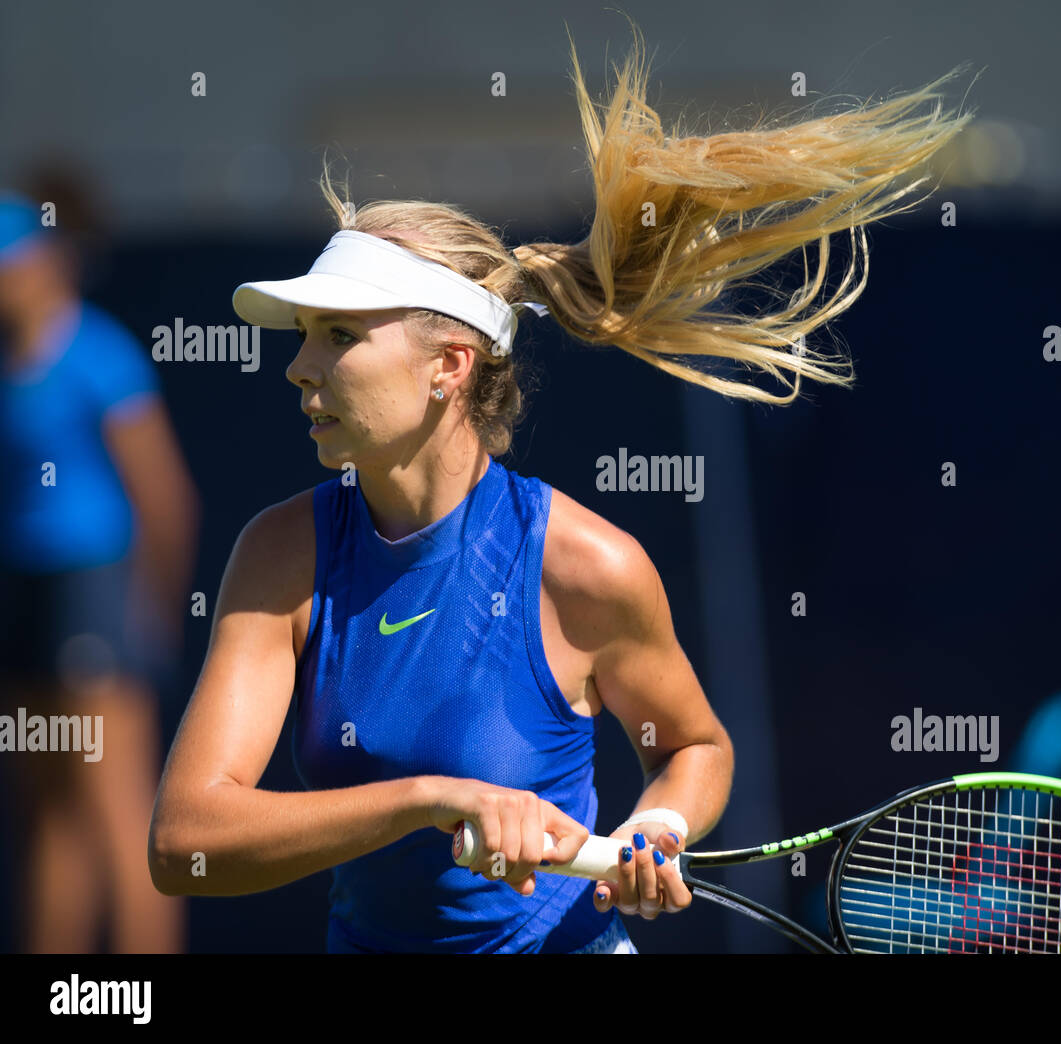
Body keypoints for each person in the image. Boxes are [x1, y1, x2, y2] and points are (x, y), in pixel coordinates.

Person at [148, 29, 972, 953]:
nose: (299, 369)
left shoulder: (590, 564)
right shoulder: (279, 554)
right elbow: (187, 844)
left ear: (447, 367)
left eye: (338, 336)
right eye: (304, 335)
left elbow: (692, 749)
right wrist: (433, 800)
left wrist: (655, 832)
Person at [0, 190, 198, 953]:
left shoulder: (98, 353)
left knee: (116, 806)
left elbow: (164, 495)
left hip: (94, 596)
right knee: (49, 807)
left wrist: (148, 611)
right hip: (26, 598)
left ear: (41, 265)